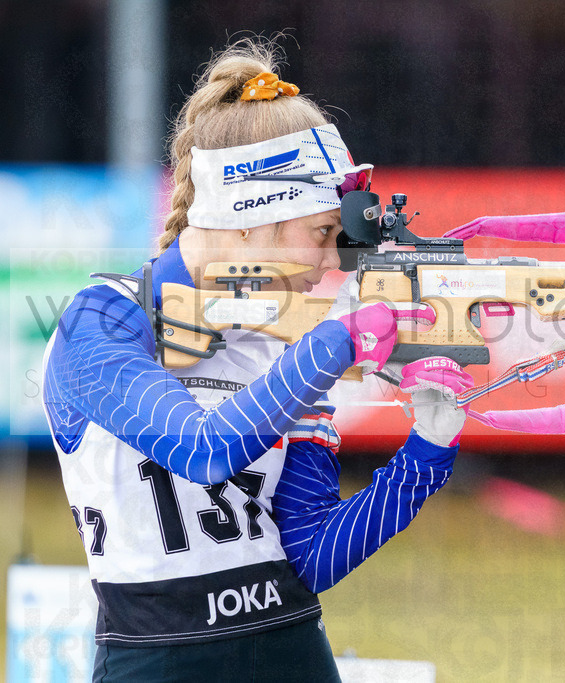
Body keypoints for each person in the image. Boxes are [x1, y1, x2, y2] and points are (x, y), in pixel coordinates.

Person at [42, 39, 471, 682]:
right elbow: (202, 450)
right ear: (248, 221)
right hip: (154, 661)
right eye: (324, 234)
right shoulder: (98, 320)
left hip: (292, 651)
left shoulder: (283, 338)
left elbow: (308, 557)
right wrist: (340, 340)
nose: (332, 264)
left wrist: (427, 453)